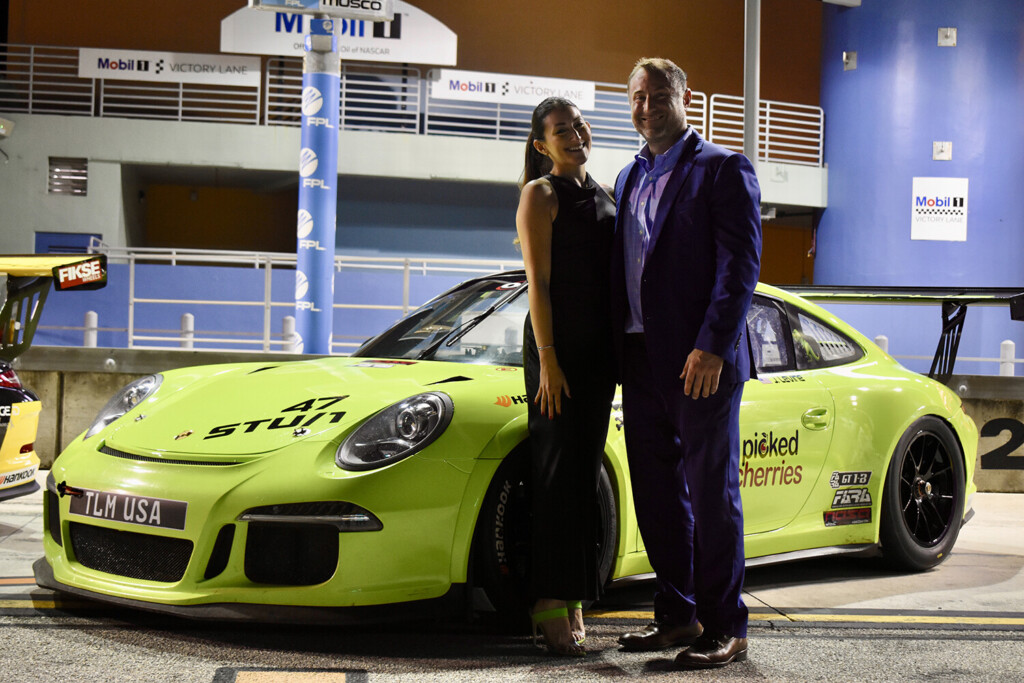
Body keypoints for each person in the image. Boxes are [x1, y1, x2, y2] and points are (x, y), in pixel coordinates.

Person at [610, 58, 762, 669]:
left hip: (701, 362)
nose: (646, 108)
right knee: (657, 495)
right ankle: (677, 613)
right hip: (640, 358)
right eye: (637, 97)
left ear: (685, 97)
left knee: (710, 494)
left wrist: (713, 346)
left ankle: (727, 626)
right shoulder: (627, 176)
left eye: (657, 96)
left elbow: (739, 266)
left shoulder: (722, 168)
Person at [516, 96, 616, 656]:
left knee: (582, 478)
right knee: (555, 476)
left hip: (597, 356)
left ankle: (574, 595)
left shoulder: (607, 194)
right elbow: (538, 284)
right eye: (561, 130)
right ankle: (548, 600)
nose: (575, 135)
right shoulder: (541, 194)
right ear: (542, 145)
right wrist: (549, 359)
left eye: (578, 125)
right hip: (556, 353)